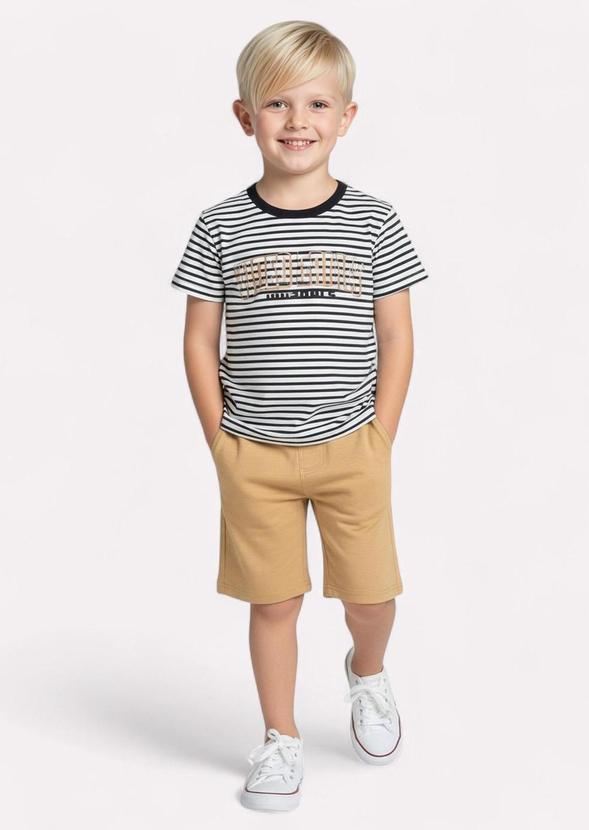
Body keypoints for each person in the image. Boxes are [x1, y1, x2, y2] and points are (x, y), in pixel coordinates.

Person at [171, 20, 430, 812]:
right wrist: (220, 440)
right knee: (274, 601)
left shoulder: (374, 220)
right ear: (245, 116)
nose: (297, 121)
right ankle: (280, 737)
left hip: (353, 446)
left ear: (346, 117)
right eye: (277, 103)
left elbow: (396, 334)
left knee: (370, 595)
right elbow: (199, 338)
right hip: (254, 454)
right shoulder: (221, 224)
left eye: (317, 104)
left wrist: (381, 434)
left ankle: (367, 672)